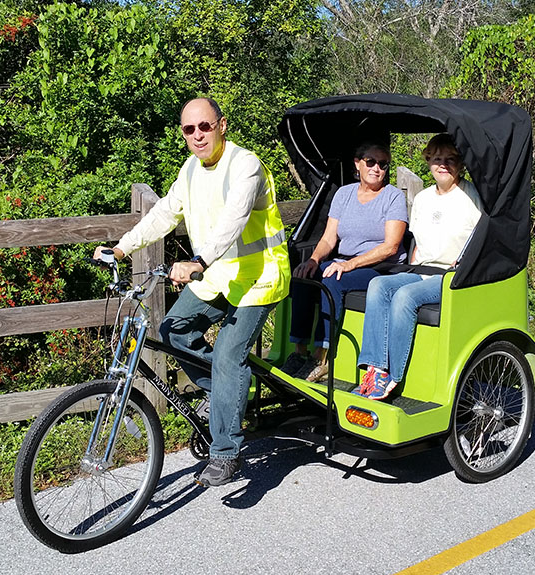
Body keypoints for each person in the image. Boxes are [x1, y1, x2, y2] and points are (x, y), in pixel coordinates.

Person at [94, 97, 290, 487]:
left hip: (259, 278)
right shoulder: (190, 170)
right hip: (219, 276)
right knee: (173, 330)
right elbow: (165, 213)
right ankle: (225, 398)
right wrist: (120, 248)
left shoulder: (245, 165)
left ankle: (226, 452)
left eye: (205, 126)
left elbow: (232, 222)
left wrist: (198, 261)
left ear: (222, 126)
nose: (198, 135)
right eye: (189, 129)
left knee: (229, 355)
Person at [356, 134, 481, 400]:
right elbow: (417, 242)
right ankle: (375, 368)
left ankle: (394, 375)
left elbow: (481, 238)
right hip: (422, 270)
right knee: (378, 284)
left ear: (460, 164)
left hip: (451, 276)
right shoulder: (423, 198)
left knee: (405, 296)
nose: (442, 165)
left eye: (450, 159)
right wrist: (410, 269)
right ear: (428, 162)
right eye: (437, 159)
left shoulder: (472, 196)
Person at [281, 143, 407, 382]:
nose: (376, 168)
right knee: (303, 276)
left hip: (380, 267)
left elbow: (390, 246)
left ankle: (322, 357)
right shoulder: (344, 194)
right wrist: (314, 260)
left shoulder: (392, 197)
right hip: (344, 261)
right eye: (371, 162)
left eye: (382, 164)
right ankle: (299, 352)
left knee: (332, 277)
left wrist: (350, 265)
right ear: (358, 164)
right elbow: (329, 237)